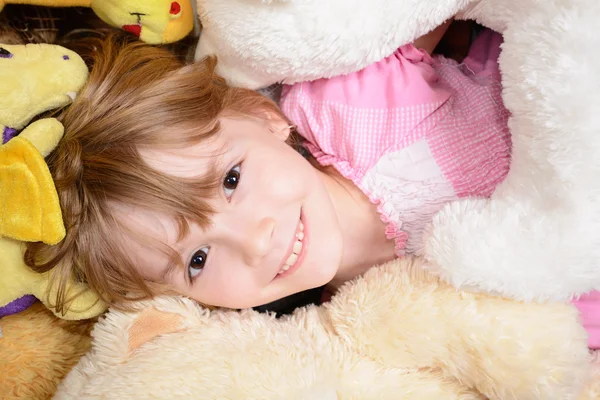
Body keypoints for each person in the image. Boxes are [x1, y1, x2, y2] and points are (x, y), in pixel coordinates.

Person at [26, 23, 511, 314]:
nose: (256, 241)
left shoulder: (345, 107)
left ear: (262, 116)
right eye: (197, 260)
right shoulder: (353, 321)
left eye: (231, 180)